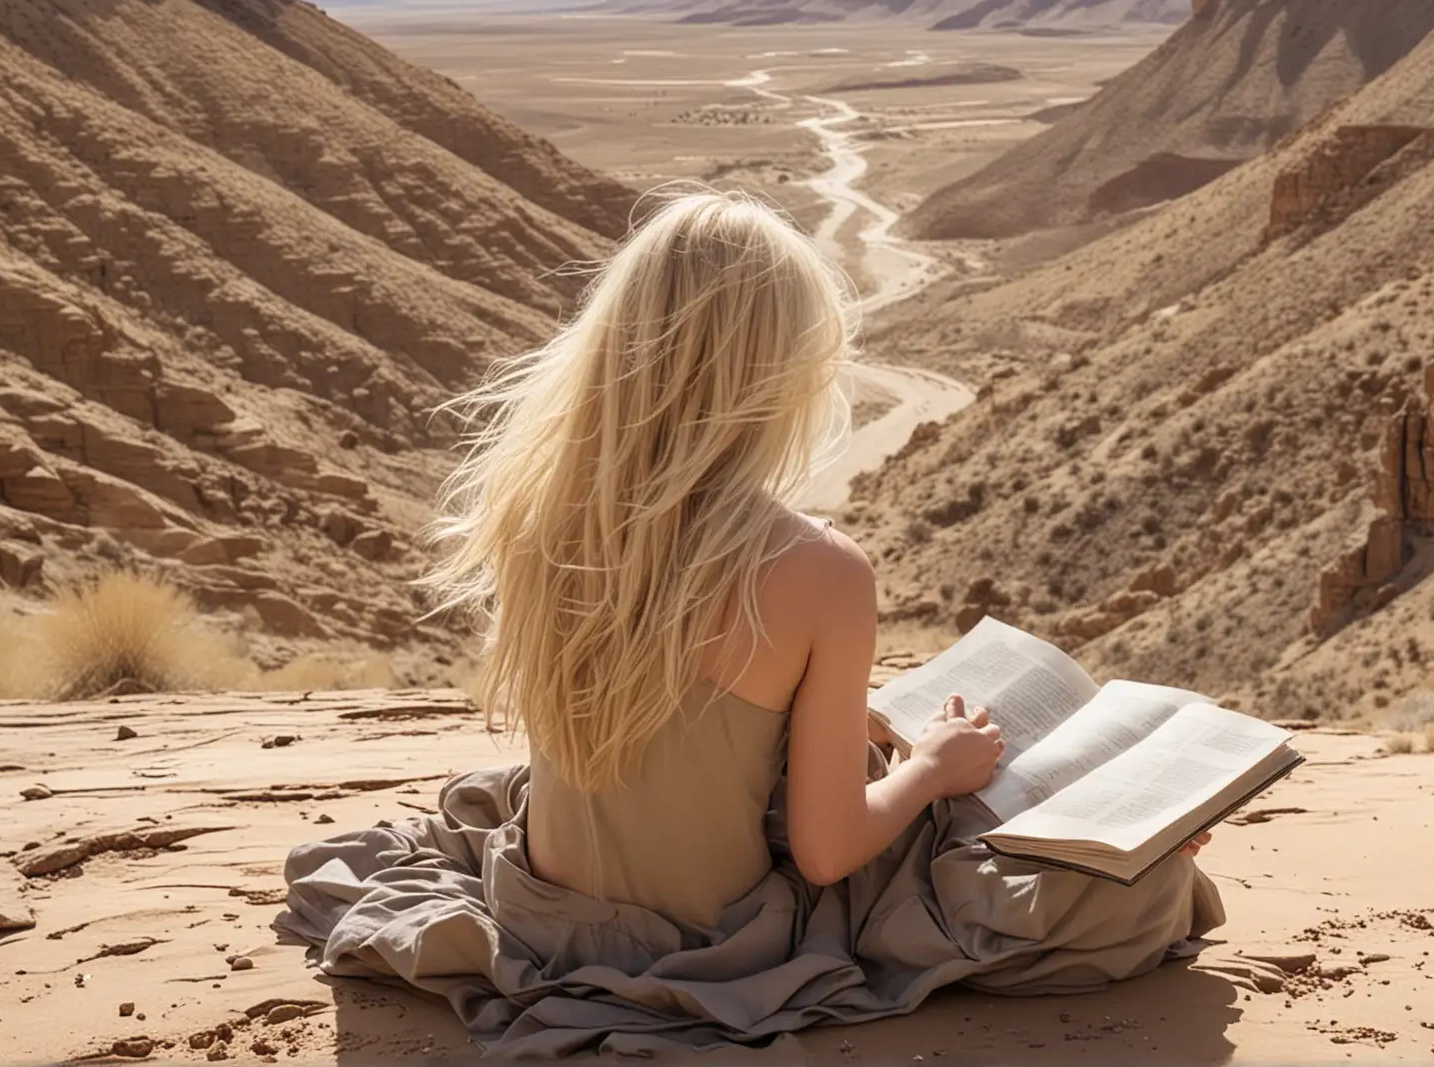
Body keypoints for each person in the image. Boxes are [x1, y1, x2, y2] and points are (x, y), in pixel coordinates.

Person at [279, 190, 1223, 1057]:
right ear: (777, 371)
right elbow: (825, 851)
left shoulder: (541, 514)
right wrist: (933, 768)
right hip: (711, 947)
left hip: (537, 907)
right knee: (1146, 895)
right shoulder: (817, 570)